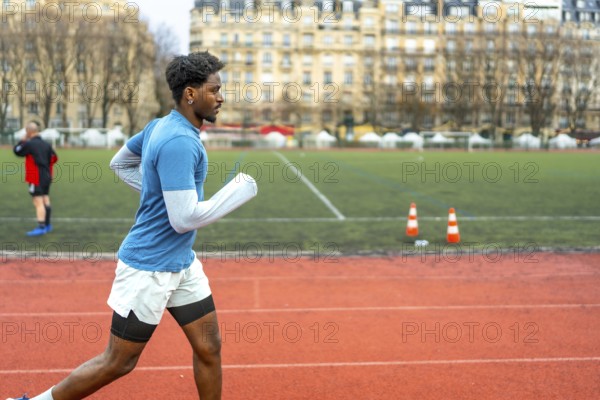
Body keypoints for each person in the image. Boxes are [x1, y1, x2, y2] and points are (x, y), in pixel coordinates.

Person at [8, 51, 257, 400]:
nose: (221, 97)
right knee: (118, 361)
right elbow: (183, 219)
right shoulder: (179, 141)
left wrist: (159, 190)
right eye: (214, 89)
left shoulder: (162, 125)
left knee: (209, 346)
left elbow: (119, 163)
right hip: (149, 268)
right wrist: (239, 192)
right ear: (190, 94)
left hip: (181, 264)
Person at [13, 121, 58, 236]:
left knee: (38, 201)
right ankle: (47, 225)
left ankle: (41, 226)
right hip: (47, 175)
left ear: (28, 132)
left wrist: (22, 141)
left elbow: (17, 151)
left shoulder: (29, 144)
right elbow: (54, 158)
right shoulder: (46, 144)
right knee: (45, 198)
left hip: (36, 177)